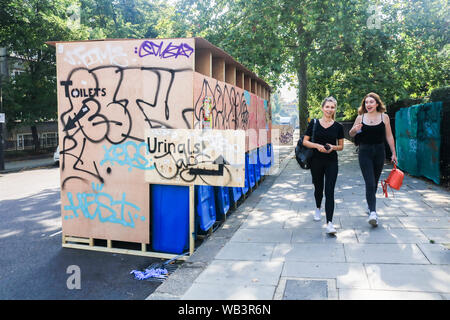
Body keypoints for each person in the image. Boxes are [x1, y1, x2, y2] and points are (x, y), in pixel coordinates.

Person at [349, 92, 397, 227]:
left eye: (371, 102)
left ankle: (370, 205)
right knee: (369, 182)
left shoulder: (384, 117)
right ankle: (373, 213)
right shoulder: (360, 117)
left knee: (374, 182)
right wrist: (355, 129)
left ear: (377, 104)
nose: (368, 104)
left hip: (379, 152)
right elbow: (351, 133)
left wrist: (393, 152)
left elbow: (389, 136)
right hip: (364, 152)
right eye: (366, 102)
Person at [302, 97, 344, 235]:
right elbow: (305, 142)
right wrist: (317, 146)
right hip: (316, 161)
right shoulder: (314, 123)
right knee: (318, 188)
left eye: (332, 107)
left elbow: (341, 147)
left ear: (334, 109)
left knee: (330, 191)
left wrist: (333, 147)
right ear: (322, 108)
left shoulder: (338, 126)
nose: (329, 109)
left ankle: (330, 223)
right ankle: (318, 207)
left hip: (332, 161)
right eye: (327, 107)